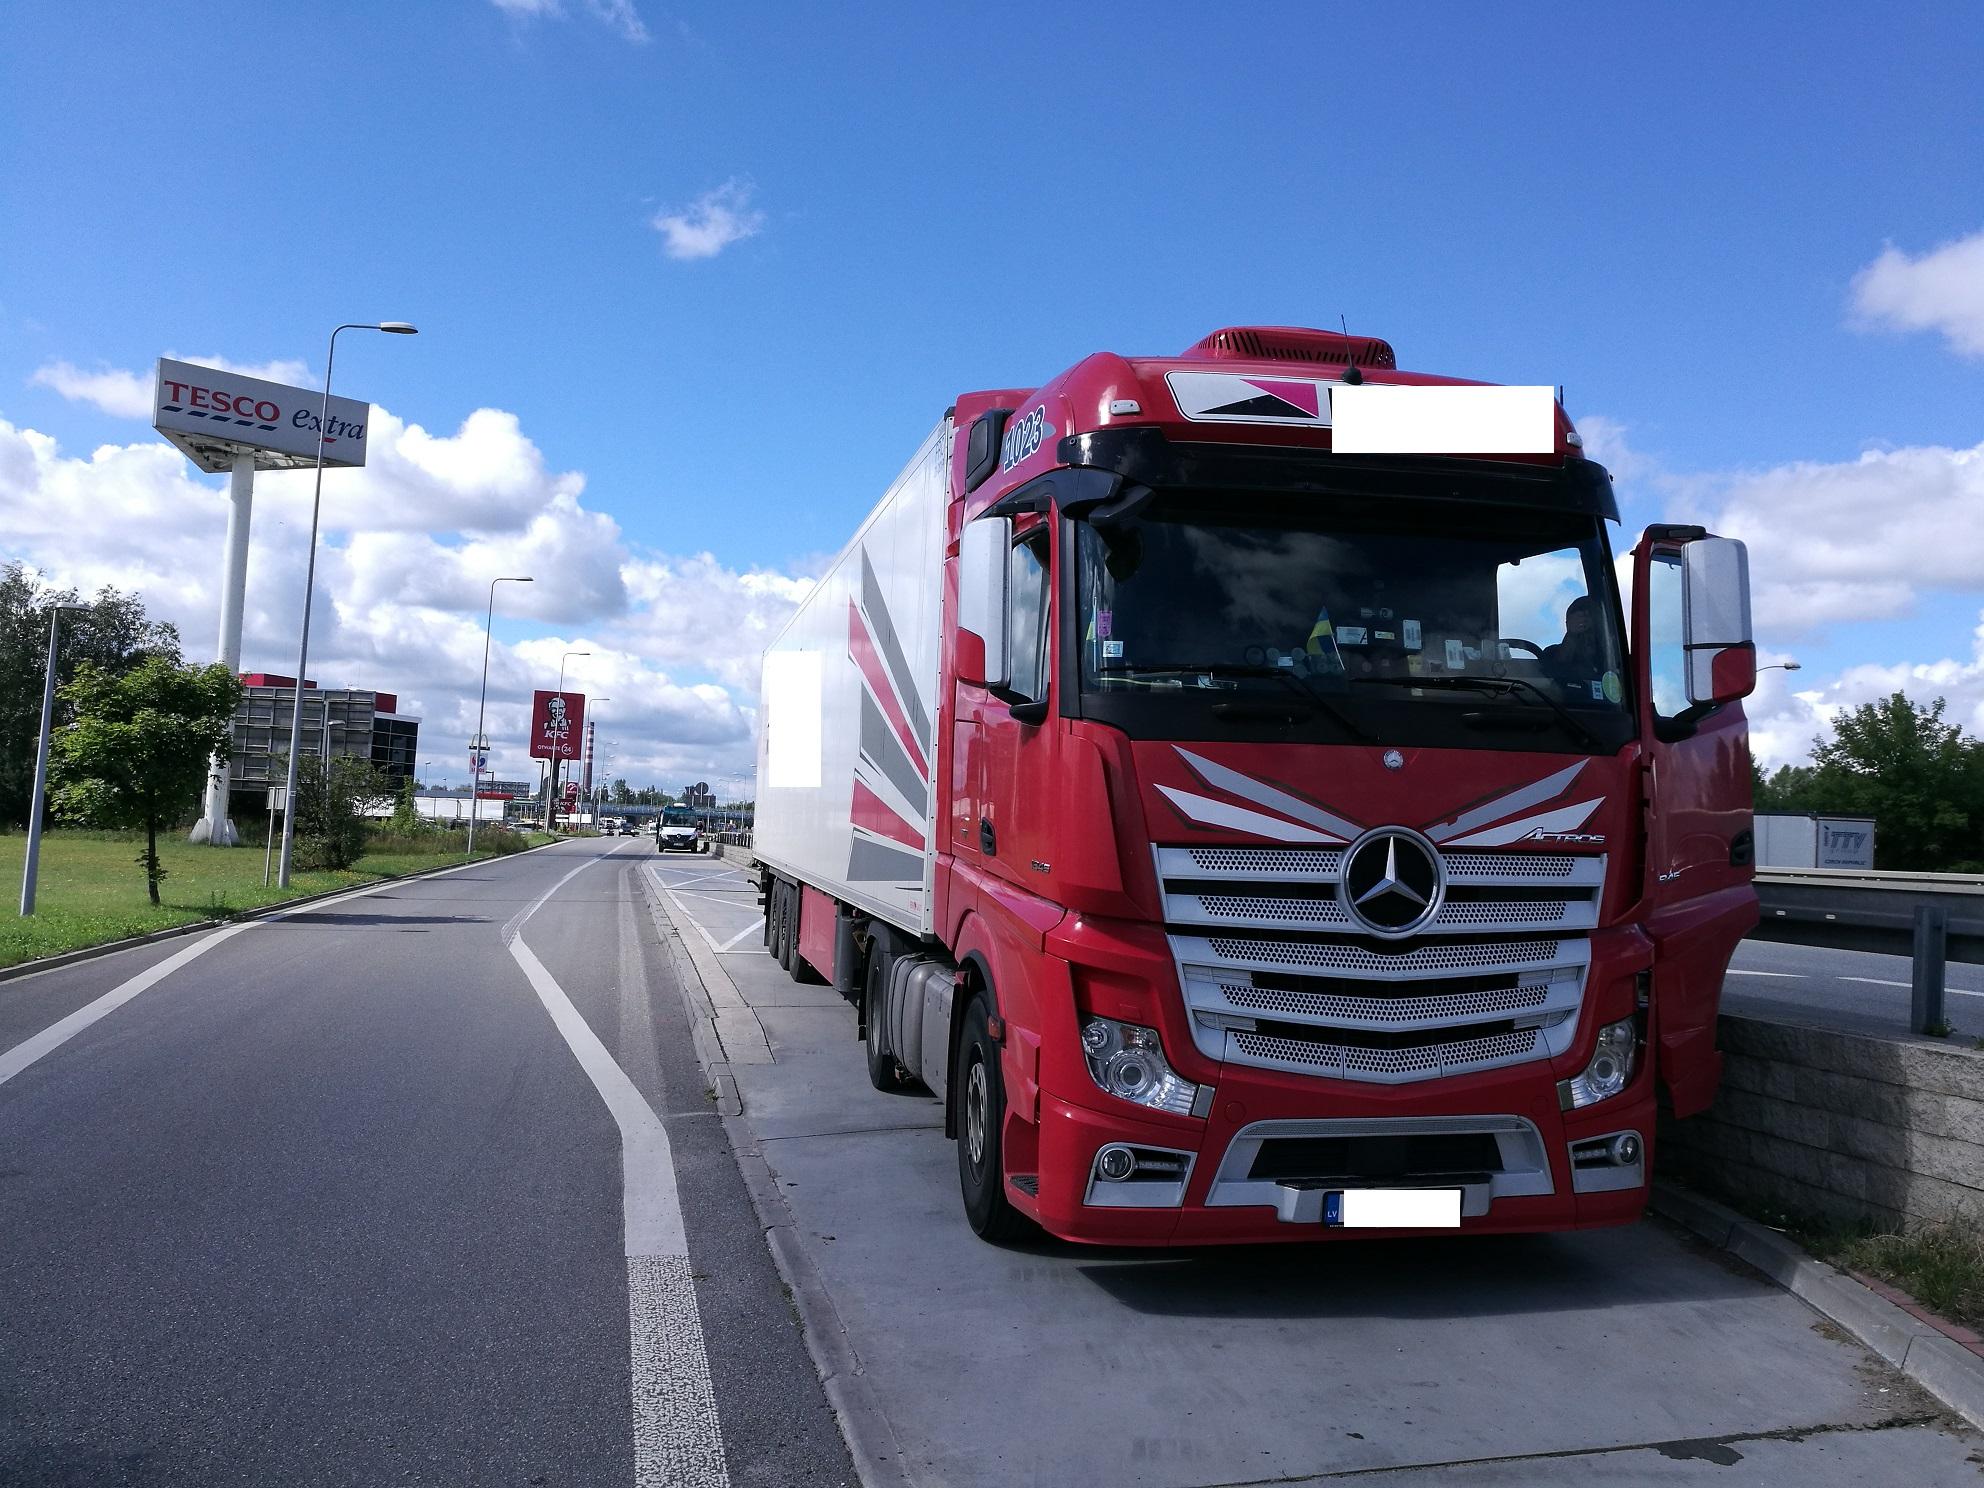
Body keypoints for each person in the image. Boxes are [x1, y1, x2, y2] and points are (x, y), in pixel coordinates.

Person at [1541, 595, 1602, 681]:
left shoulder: (1612, 659)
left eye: (1590, 630)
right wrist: (1572, 635)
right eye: (1578, 624)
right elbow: (1555, 670)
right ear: (1568, 624)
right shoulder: (1550, 653)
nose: (1585, 636)